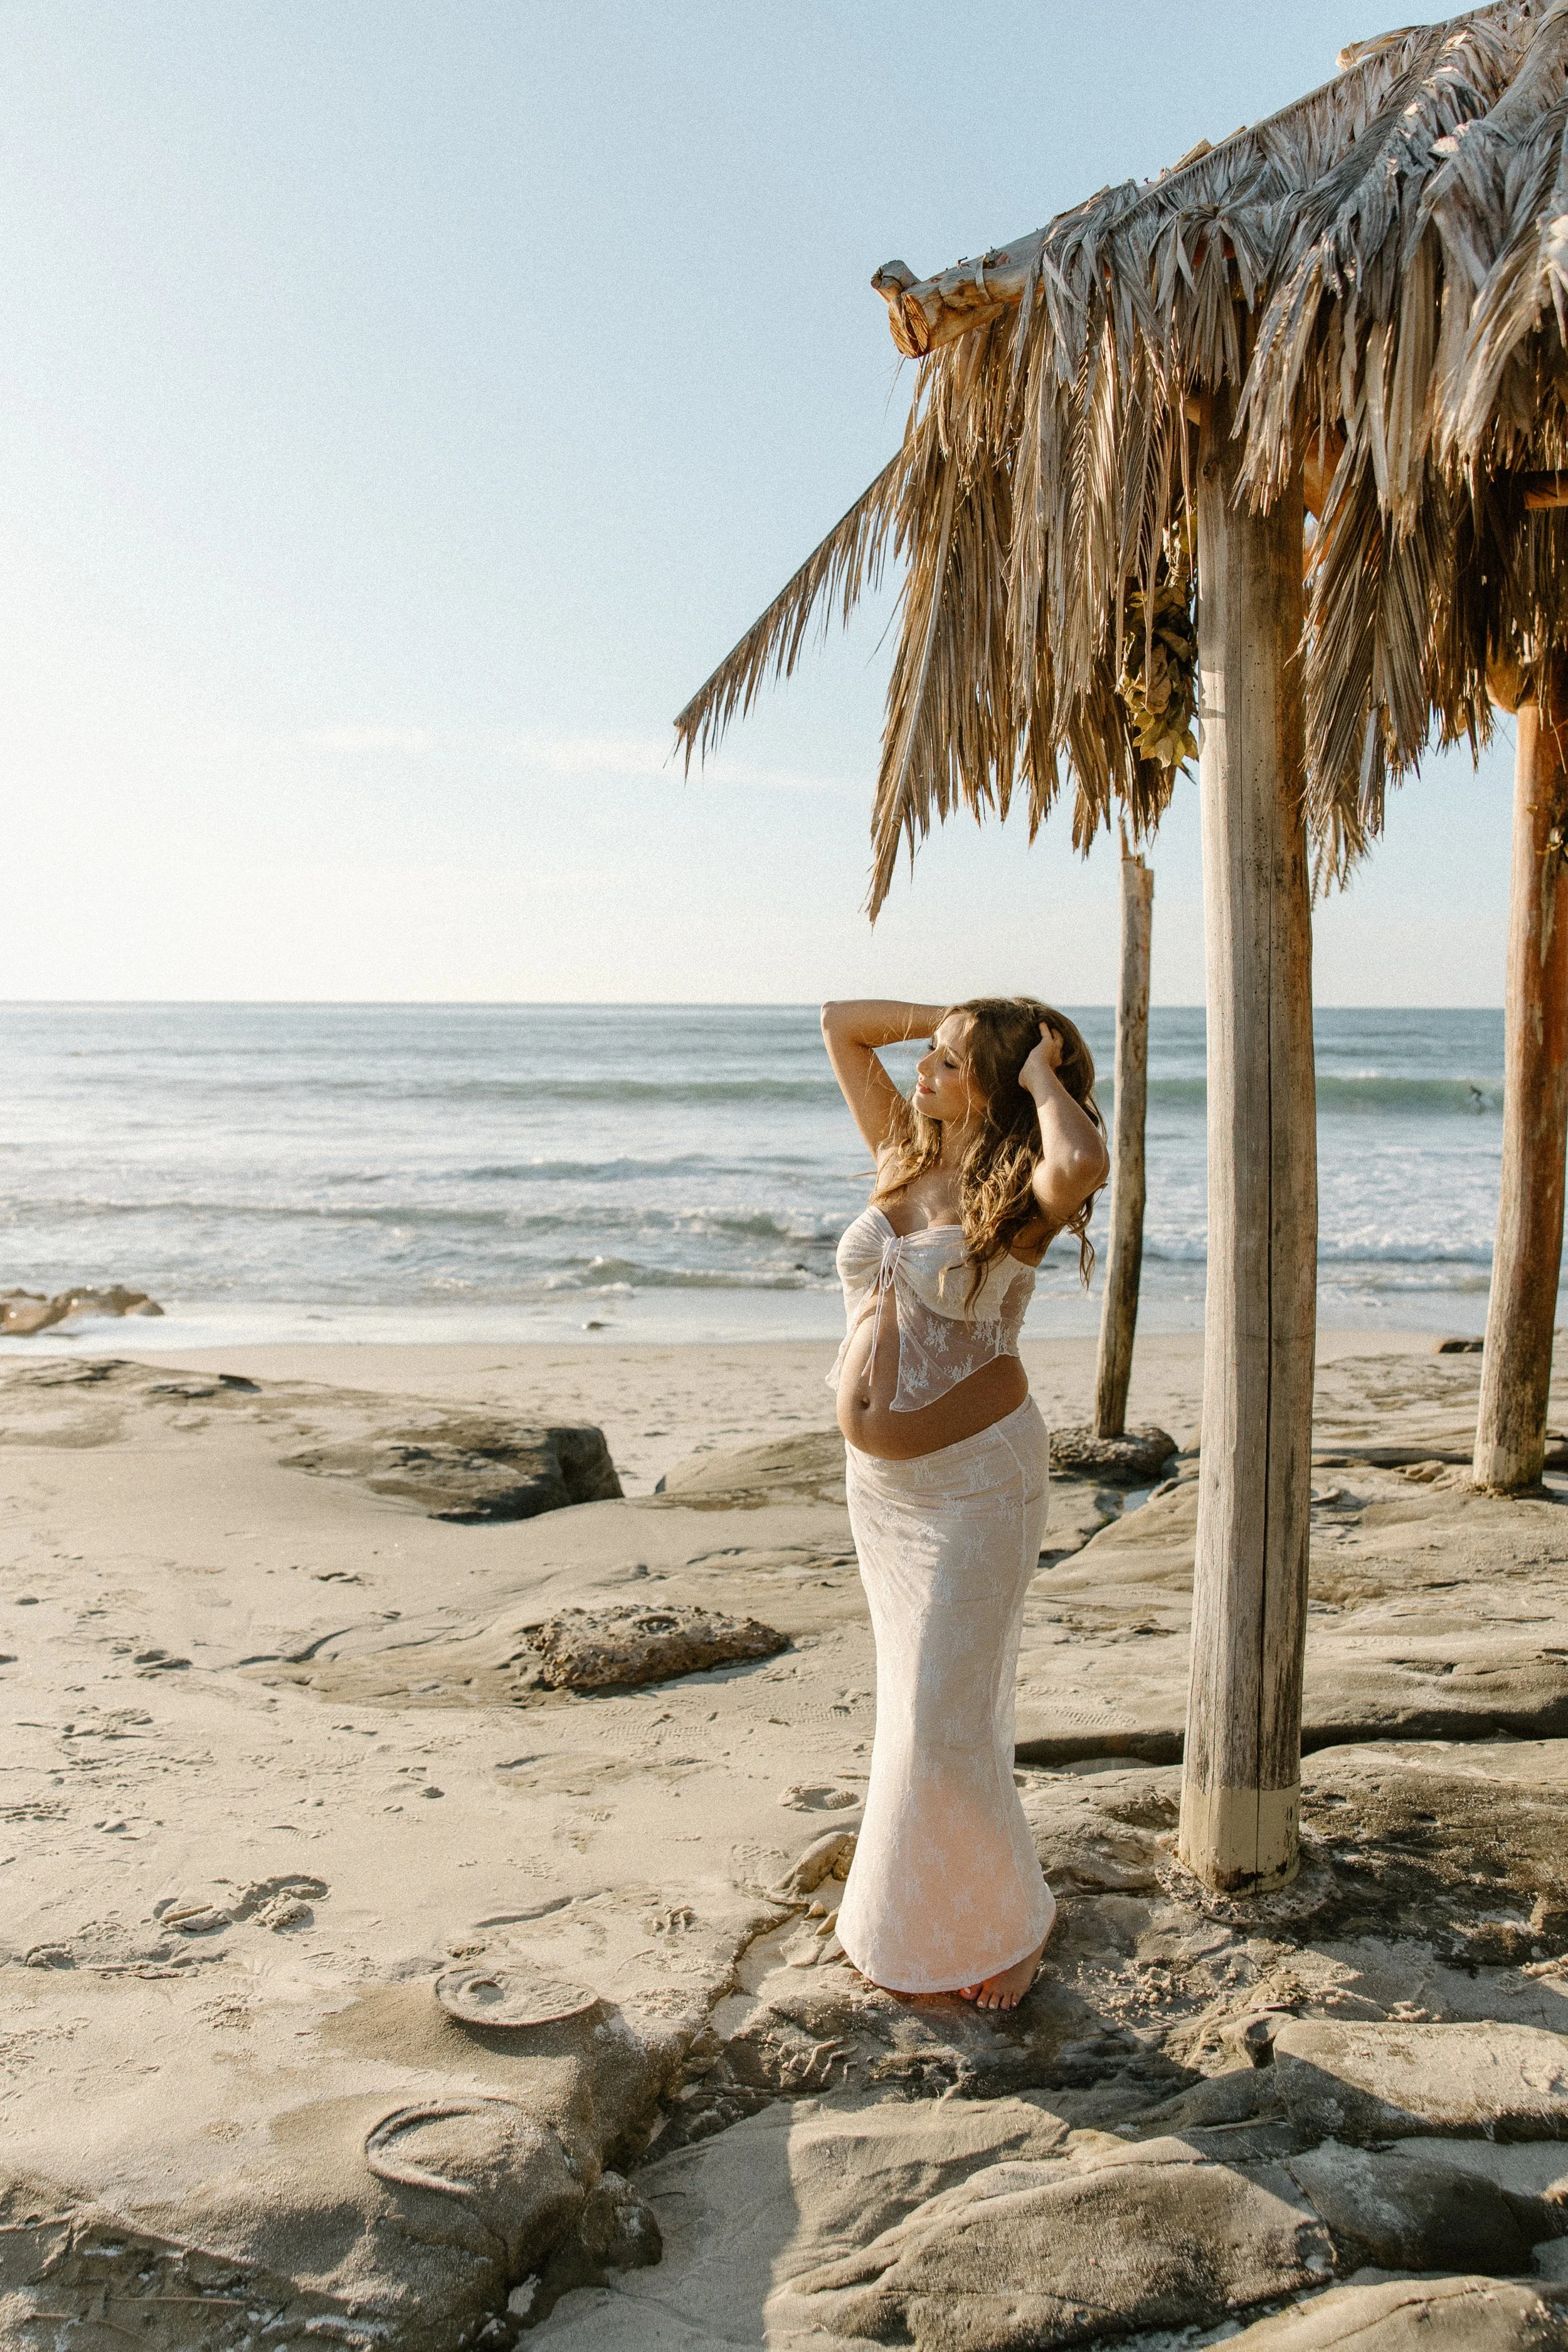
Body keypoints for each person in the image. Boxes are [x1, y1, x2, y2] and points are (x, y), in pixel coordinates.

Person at [819, 996, 1109, 2010]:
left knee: (945, 1715)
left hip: (980, 1485)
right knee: (915, 1708)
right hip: (885, 1495)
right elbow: (839, 1023)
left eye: (948, 1062)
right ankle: (914, 1916)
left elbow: (1081, 1166)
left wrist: (1038, 1073)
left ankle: (1007, 1922)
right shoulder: (908, 1148)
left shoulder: (1016, 1195)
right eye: (930, 1058)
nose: (927, 1072)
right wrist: (947, 1012)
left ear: (994, 1079)